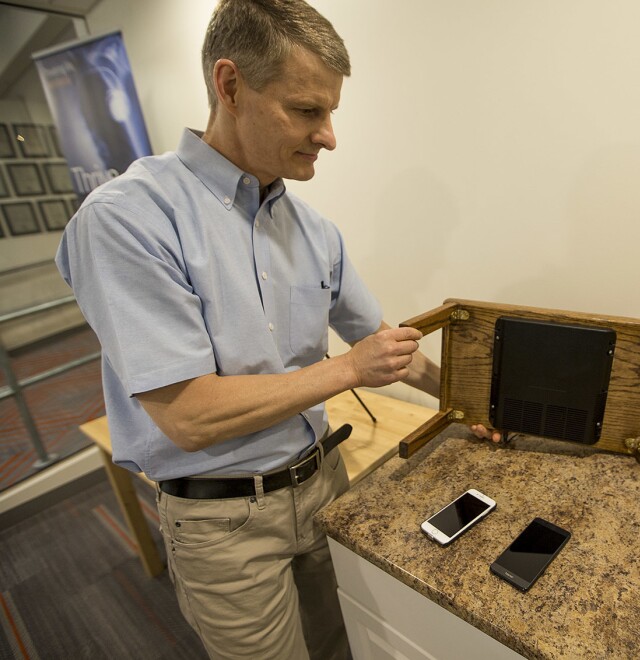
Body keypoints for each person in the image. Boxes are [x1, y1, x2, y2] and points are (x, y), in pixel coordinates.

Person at [55, 1, 460, 657]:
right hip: (223, 520)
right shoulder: (129, 220)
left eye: (330, 113)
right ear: (230, 84)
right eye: (306, 111)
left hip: (322, 483)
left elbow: (385, 345)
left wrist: (468, 401)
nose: (328, 136)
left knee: (339, 643)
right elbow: (189, 416)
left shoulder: (313, 230)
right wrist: (347, 369)